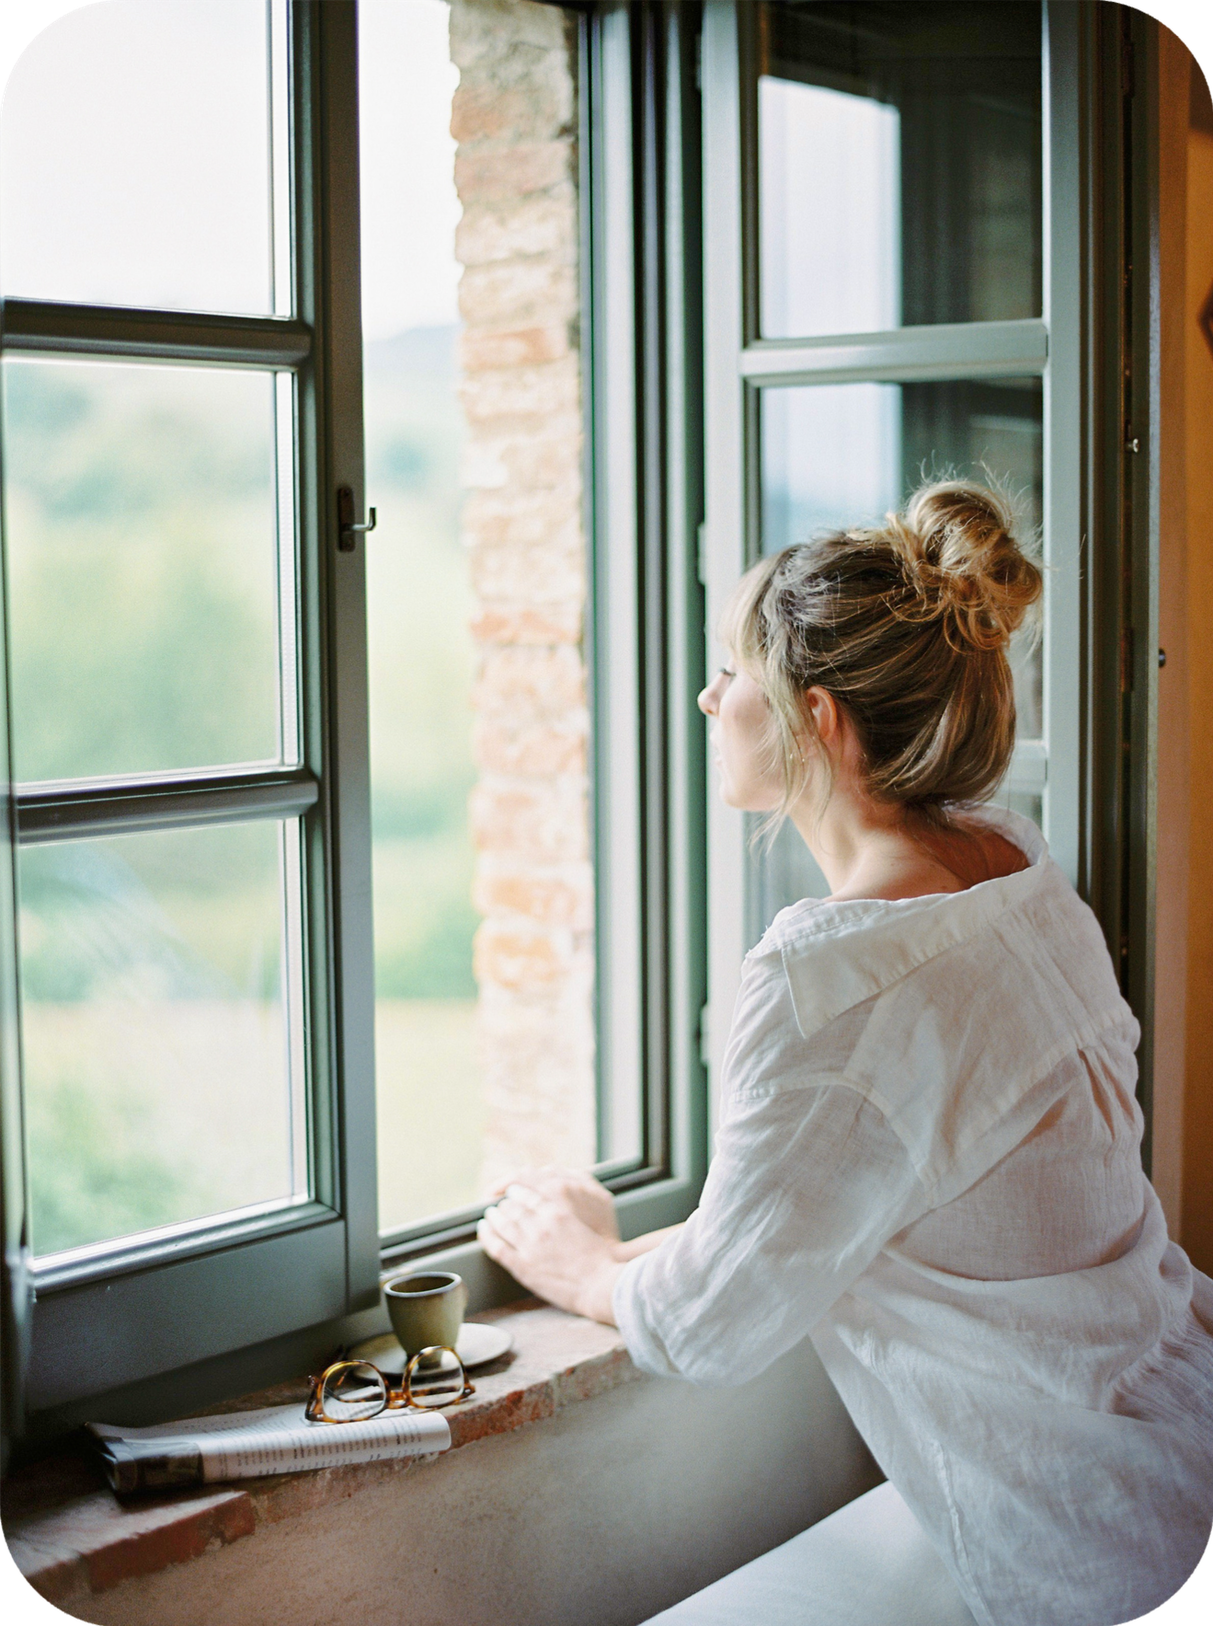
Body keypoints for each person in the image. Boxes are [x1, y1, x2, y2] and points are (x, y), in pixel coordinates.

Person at [477, 480, 1213, 1626]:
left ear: (817, 720)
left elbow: (713, 1322)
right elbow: (839, 1180)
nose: (708, 696)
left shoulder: (831, 983)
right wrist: (678, 1234)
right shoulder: (1011, 869)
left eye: (734, 676)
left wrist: (580, 1267)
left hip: (1116, 1554)